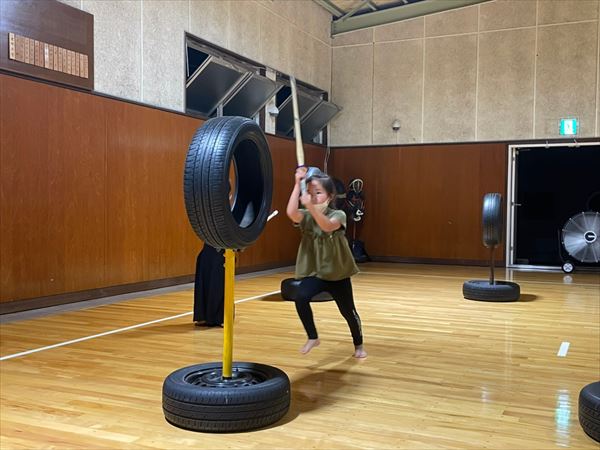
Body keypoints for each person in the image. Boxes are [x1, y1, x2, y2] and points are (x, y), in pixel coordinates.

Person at [285, 166, 367, 358]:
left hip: (338, 274)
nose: (313, 197)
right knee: (301, 297)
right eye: (310, 193)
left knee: (349, 312)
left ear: (330, 197)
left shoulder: (338, 215)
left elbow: (327, 226)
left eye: (318, 193)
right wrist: (297, 184)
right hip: (317, 273)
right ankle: (312, 336)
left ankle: (359, 345)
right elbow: (291, 212)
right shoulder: (306, 216)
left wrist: (310, 207)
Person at [193, 244, 224, 327]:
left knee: (219, 285)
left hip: (224, 252)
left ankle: (221, 318)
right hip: (208, 252)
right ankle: (203, 316)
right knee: (204, 283)